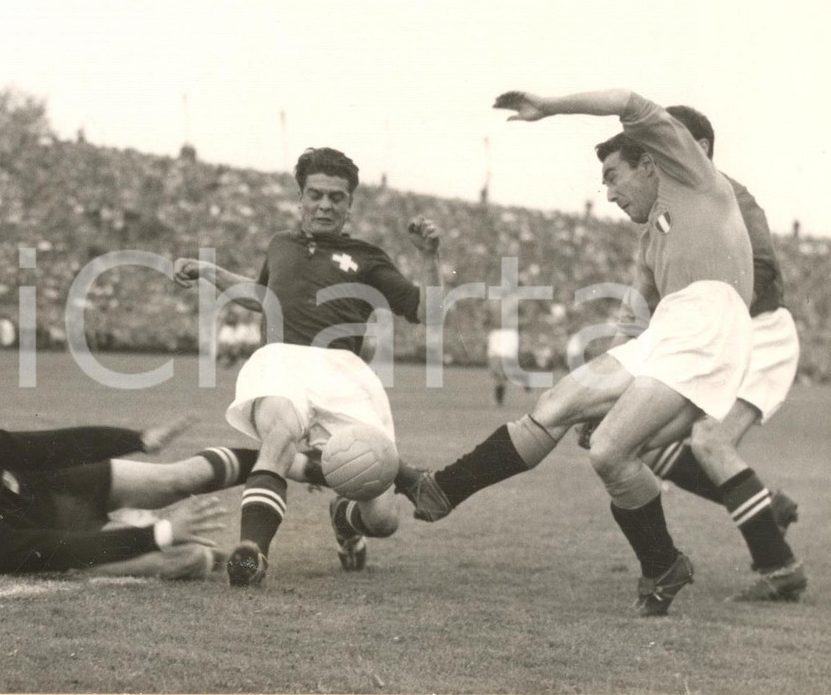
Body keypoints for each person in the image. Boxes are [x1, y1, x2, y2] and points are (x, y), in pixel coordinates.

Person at [398, 89, 759, 616]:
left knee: (611, 451)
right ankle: (443, 489)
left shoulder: (697, 182)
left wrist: (548, 106)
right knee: (559, 403)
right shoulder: (651, 242)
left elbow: (627, 99)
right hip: (668, 331)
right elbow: (634, 322)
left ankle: (662, 564)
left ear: (652, 162)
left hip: (710, 327)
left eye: (613, 175)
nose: (608, 193)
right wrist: (605, 390)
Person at [173, 147, 443, 587]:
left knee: (383, 519)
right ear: (300, 199)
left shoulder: (367, 257)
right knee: (279, 434)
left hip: (344, 372)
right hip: (282, 360)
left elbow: (427, 312)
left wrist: (430, 257)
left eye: (336, 198)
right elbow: (260, 293)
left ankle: (345, 517)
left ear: (350, 204)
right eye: (315, 195)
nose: (324, 205)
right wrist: (208, 270)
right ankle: (253, 553)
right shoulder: (280, 245)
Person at [622, 104, 804, 601]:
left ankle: (779, 566)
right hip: (717, 337)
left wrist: (708, 315)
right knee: (646, 446)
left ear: (698, 149)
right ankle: (768, 508)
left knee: (708, 440)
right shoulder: (669, 212)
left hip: (757, 330)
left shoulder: (728, 197)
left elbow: (761, 268)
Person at [0, 410, 262, 579]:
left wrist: (134, 440)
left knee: (181, 477)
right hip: (70, 541)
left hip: (62, 485)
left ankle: (288, 462)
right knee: (187, 557)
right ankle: (220, 559)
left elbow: (52, 446)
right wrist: (162, 533)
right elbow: (60, 549)